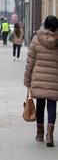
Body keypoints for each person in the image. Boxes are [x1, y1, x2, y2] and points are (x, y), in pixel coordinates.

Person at [24, 15, 58, 147]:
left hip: (38, 78)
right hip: (54, 78)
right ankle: (49, 135)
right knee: (52, 105)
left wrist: (27, 81)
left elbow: (30, 62)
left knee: (40, 105)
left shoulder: (36, 40)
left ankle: (39, 132)